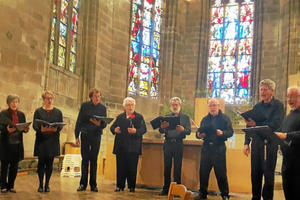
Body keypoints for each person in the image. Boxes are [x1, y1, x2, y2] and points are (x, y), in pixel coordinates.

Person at [243, 79, 284, 200]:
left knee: (268, 175)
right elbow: (250, 126)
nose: (262, 92)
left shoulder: (278, 106)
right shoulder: (257, 106)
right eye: (261, 89)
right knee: (255, 173)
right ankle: (255, 197)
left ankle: (267, 198)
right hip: (257, 144)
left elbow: (276, 124)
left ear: (272, 91)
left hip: (270, 144)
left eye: (265, 89)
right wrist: (246, 143)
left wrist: (257, 123)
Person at [194, 98, 233, 200]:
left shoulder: (225, 118)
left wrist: (222, 133)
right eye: (210, 106)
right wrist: (199, 135)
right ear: (208, 107)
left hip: (218, 148)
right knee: (203, 172)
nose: (212, 108)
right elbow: (198, 133)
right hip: (206, 148)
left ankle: (225, 195)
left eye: (214, 105)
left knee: (221, 173)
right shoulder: (205, 119)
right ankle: (202, 194)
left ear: (218, 106)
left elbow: (230, 132)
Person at [110, 97, 146, 193]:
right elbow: (112, 127)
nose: (130, 107)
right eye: (128, 105)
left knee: (132, 168)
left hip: (133, 147)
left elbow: (143, 129)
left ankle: (131, 186)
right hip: (121, 146)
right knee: (120, 167)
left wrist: (136, 131)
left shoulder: (139, 117)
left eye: (132, 105)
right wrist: (115, 130)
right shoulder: (120, 117)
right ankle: (119, 186)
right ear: (124, 107)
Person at [75, 88, 107, 192]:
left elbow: (105, 123)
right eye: (96, 96)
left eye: (99, 96)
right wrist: (76, 135)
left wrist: (100, 124)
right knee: (85, 159)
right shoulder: (85, 106)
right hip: (85, 134)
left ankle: (93, 184)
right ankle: (83, 184)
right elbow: (79, 120)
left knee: (94, 159)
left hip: (96, 135)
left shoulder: (103, 108)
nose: (98, 98)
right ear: (91, 97)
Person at [159, 97, 191, 196]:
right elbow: (161, 131)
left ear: (180, 106)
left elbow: (188, 131)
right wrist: (162, 128)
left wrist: (183, 130)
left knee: (177, 167)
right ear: (171, 106)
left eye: (176, 105)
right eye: (173, 105)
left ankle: (177, 190)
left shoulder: (185, 117)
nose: (175, 106)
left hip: (178, 143)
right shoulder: (166, 117)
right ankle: (166, 189)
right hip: (168, 143)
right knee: (167, 167)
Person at [33, 91, 63, 193]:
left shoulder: (58, 112)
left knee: (50, 164)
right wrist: (42, 129)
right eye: (47, 98)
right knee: (41, 163)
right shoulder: (38, 111)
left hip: (52, 141)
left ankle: (47, 185)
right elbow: (34, 125)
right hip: (41, 141)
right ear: (43, 99)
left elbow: (60, 126)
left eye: (51, 98)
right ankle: (41, 184)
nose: (49, 100)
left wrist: (56, 129)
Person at [274, 87, 300, 200]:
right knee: (288, 192)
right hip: (287, 162)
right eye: (288, 96)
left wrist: (286, 136)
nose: (290, 99)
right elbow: (280, 130)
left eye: (293, 96)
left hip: (298, 163)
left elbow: (287, 134)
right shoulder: (288, 116)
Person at [0, 95, 29, 193]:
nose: (14, 104)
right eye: (12, 102)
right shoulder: (3, 113)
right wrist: (6, 129)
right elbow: (1, 127)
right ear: (8, 103)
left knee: (14, 167)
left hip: (17, 144)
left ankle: (11, 186)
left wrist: (25, 129)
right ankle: (3, 186)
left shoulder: (21, 115)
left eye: (16, 102)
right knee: (4, 166)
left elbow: (23, 128)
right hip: (6, 144)